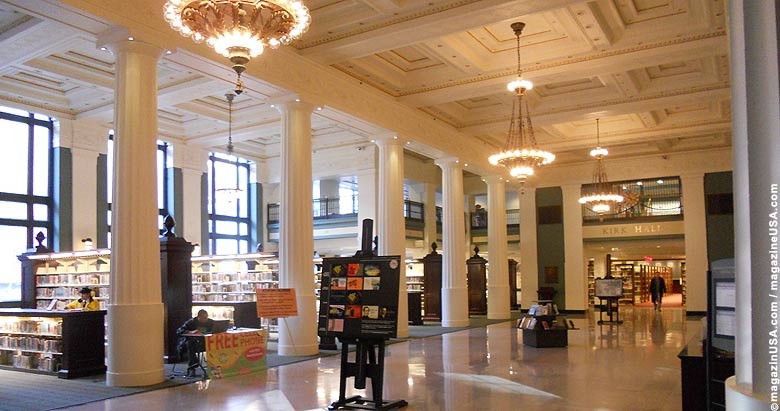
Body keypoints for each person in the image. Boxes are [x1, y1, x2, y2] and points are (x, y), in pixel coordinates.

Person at [177, 309, 215, 377]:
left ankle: (215, 366)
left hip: (204, 342)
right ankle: (192, 368)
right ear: (198, 317)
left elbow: (215, 330)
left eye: (206, 317)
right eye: (203, 318)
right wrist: (190, 332)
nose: (205, 319)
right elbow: (179, 331)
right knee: (190, 344)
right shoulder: (191, 322)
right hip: (192, 342)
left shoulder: (210, 322)